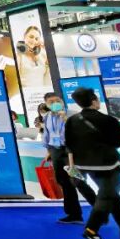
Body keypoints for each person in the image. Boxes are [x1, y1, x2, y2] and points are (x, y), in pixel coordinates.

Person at [65, 87, 120, 239]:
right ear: (94, 101)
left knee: (112, 198)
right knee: (106, 197)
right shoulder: (108, 120)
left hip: (85, 167)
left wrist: (73, 170)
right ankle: (91, 230)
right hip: (109, 166)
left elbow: (69, 147)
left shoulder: (72, 120)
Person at [43, 92, 96, 224]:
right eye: (51, 102)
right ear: (47, 105)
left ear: (62, 101)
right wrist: (49, 151)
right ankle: (74, 214)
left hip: (71, 151)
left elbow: (81, 131)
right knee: (63, 182)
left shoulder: (73, 114)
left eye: (57, 100)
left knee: (77, 180)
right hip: (56, 150)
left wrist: (65, 119)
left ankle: (100, 207)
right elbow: (47, 134)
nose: (55, 103)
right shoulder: (47, 116)